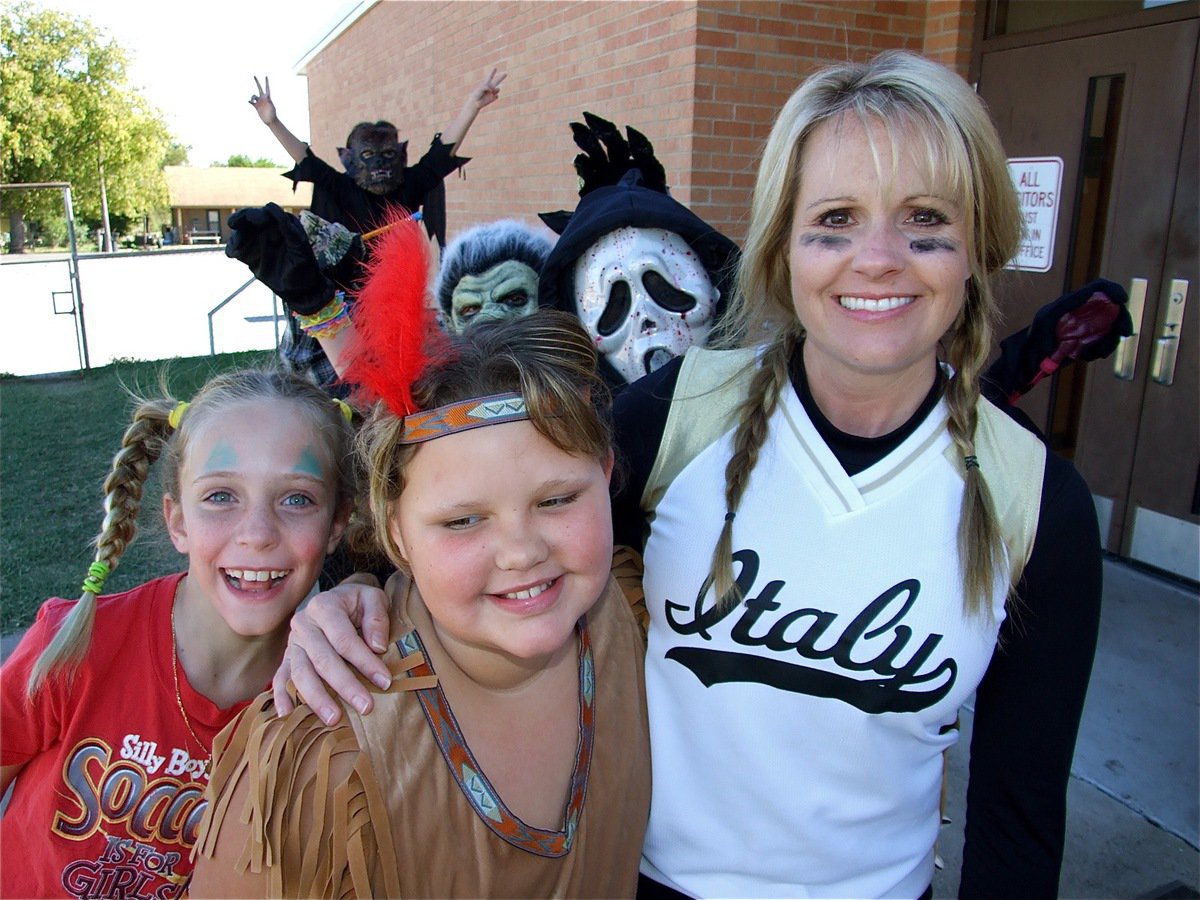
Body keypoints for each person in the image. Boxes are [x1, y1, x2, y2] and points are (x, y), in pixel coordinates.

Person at [272, 50, 1104, 899]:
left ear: (978, 244)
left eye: (925, 220)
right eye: (835, 220)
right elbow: (491, 509)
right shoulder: (681, 412)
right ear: (782, 246)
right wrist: (357, 595)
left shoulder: (1034, 498)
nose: (879, 258)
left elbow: (1018, 818)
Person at [188, 305, 651, 896]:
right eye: (462, 520)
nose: (520, 553)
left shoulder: (636, 618)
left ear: (605, 475)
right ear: (396, 533)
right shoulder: (320, 753)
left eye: (556, 501)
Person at [0, 368, 355, 898]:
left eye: (297, 499)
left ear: (336, 525)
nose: (257, 534)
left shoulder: (326, 698)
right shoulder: (75, 645)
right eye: (221, 496)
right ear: (177, 521)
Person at [246, 68, 506, 393]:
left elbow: (440, 155)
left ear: (400, 156)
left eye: (388, 155)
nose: (380, 164)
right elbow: (306, 160)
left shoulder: (409, 186)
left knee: (400, 384)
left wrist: (472, 105)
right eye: (369, 156)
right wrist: (272, 121)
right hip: (341, 305)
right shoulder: (340, 188)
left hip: (394, 304)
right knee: (343, 386)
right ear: (350, 159)